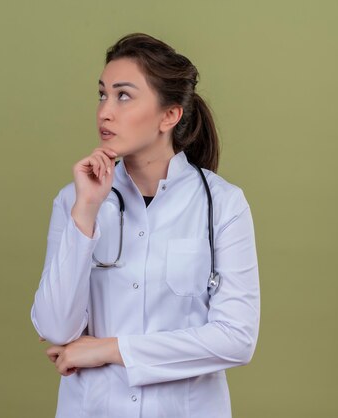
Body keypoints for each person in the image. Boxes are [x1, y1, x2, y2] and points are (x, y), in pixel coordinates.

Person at [30, 32, 260, 418]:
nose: (105, 111)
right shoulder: (74, 200)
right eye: (102, 94)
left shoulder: (222, 204)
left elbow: (236, 339)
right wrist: (86, 211)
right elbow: (56, 327)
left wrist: (106, 349)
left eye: (123, 96)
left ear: (169, 115)